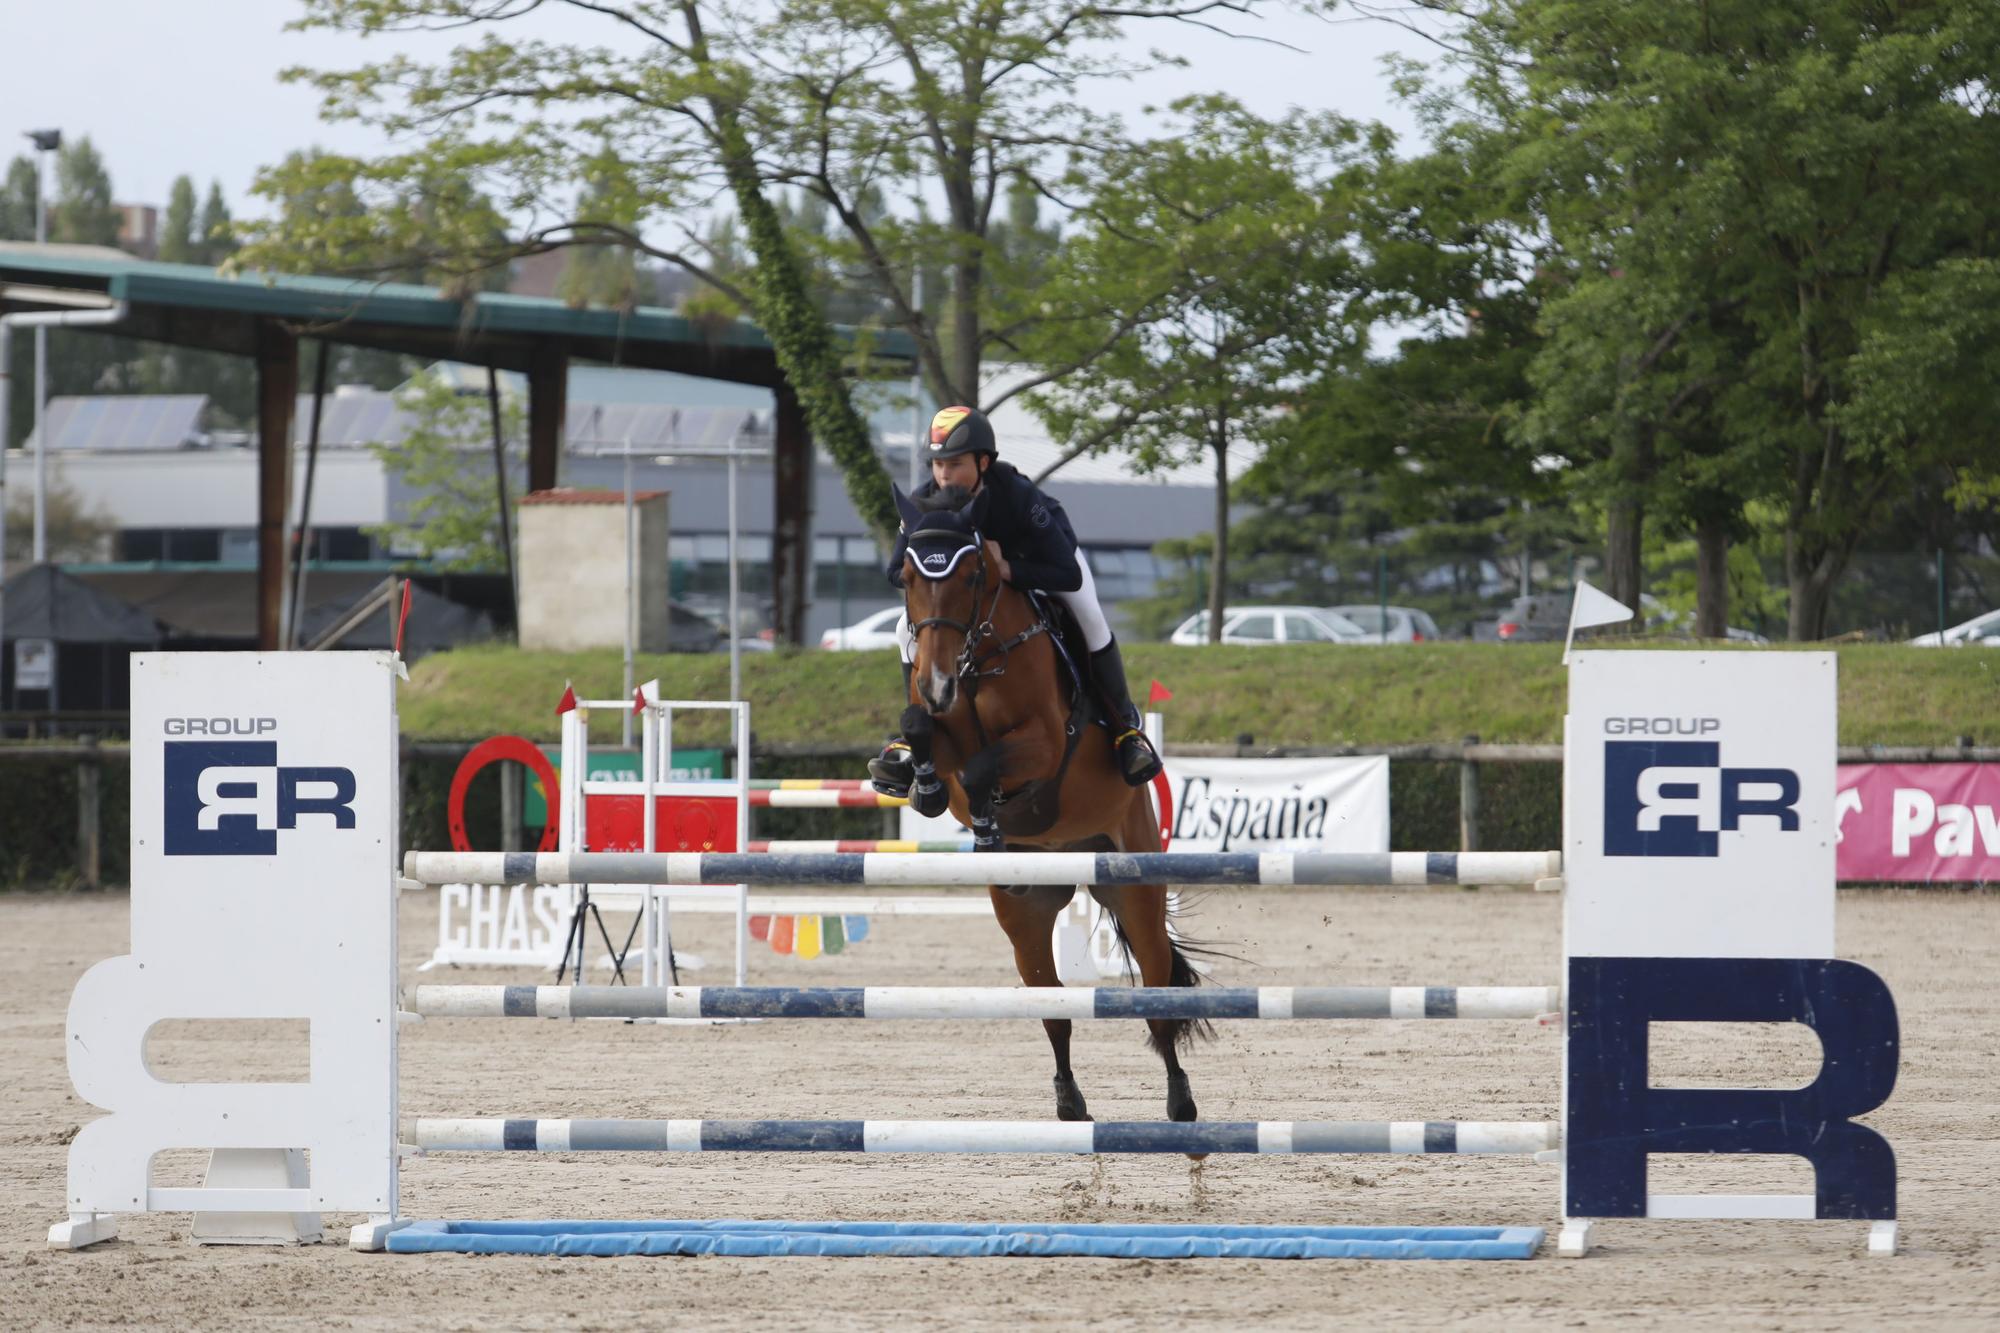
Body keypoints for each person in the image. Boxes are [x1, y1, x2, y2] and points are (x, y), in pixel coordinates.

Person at [868, 405, 1163, 794]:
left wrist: (1008, 569)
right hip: (973, 590)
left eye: (954, 464)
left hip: (1041, 562)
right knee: (904, 627)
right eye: (937, 465)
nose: (943, 476)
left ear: (983, 461)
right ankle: (912, 734)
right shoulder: (923, 504)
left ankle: (1126, 729)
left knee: (1089, 616)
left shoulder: (1019, 496)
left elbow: (1067, 574)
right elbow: (894, 572)